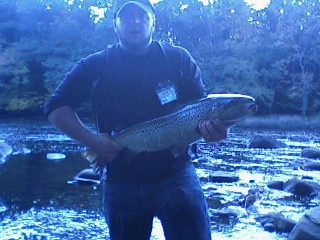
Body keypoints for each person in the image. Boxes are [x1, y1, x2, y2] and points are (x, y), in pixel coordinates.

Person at [44, 0, 227, 239]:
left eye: (142, 16)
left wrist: (213, 130)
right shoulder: (96, 65)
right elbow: (55, 107)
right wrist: (94, 141)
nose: (135, 22)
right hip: (121, 179)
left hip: (177, 175)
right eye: (127, 16)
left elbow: (202, 109)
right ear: (115, 24)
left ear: (153, 22)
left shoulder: (178, 60)